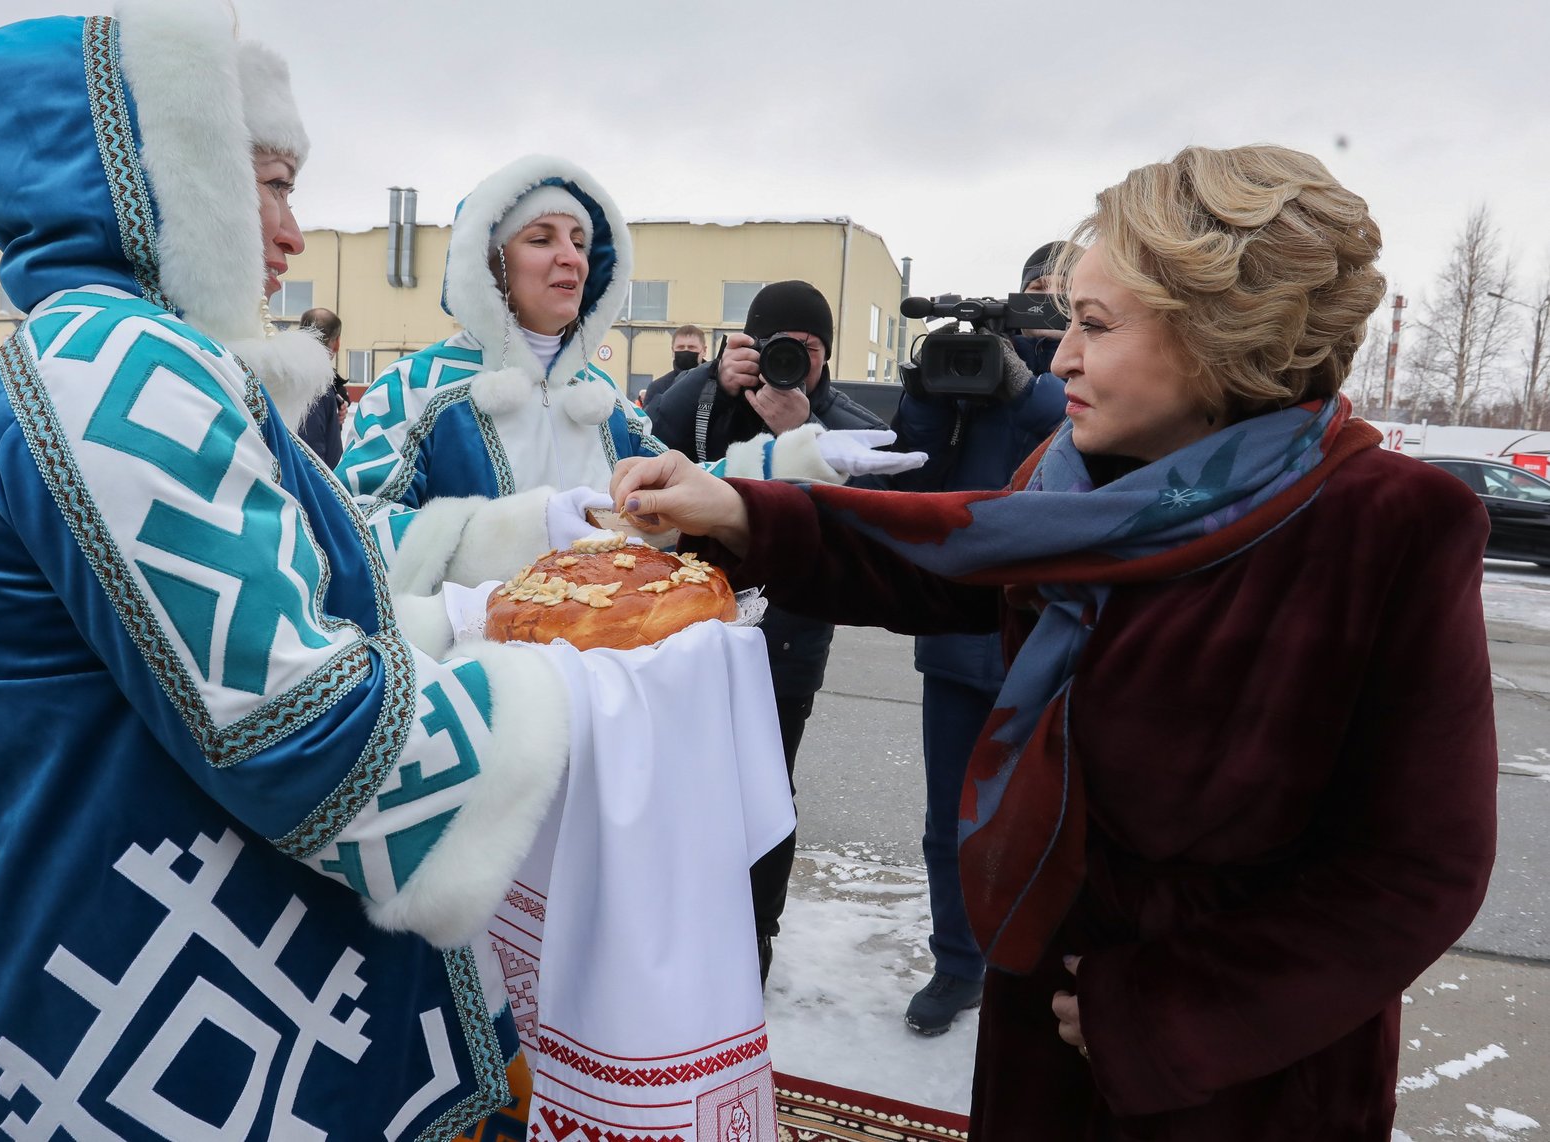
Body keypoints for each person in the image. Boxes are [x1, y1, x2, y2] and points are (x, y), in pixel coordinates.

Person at [610, 143, 1498, 1140]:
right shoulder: (1076, 475)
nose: (1061, 357)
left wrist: (1165, 1012)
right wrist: (736, 509)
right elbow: (941, 550)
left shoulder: (1387, 524)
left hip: (1231, 1080)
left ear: (1219, 334)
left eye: (1093, 325)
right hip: (1039, 1040)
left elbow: (1418, 869)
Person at [0, 7, 636, 1138]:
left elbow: (296, 600)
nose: (293, 236)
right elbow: (290, 724)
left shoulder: (113, 354)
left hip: (190, 934)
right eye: (264, 181)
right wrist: (571, 691)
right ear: (161, 171)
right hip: (164, 945)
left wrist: (457, 627)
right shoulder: (108, 361)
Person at [335, 159, 902, 600]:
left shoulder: (600, 397)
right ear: (488, 262)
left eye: (579, 243)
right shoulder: (415, 386)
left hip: (600, 667)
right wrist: (529, 528)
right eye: (541, 239)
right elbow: (354, 537)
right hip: (476, 690)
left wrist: (792, 459)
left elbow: (676, 490)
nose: (572, 260)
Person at [645, 280, 889, 982]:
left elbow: (868, 520)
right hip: (684, 632)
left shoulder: (841, 417)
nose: (792, 362)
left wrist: (798, 434)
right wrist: (707, 378)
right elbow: (641, 443)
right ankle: (682, 927)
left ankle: (754, 938)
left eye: (807, 350)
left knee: (764, 794)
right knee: (679, 786)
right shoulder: (706, 396)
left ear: (827, 355)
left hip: (786, 644)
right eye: (776, 347)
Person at [892, 244, 1070, 1035]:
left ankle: (1033, 965)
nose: (1046, 303)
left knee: (1046, 818)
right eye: (1038, 289)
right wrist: (929, 387)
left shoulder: (1086, 373)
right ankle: (957, 964)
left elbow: (1075, 440)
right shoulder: (977, 359)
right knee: (948, 822)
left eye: (1062, 295)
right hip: (961, 633)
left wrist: (1027, 384)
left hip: (1052, 634)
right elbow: (915, 474)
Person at [294, 305, 349, 467]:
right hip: (316, 484)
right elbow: (311, 451)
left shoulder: (293, 373)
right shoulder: (314, 383)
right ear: (337, 343)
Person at [638, 322, 707, 408]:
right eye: (680, 347)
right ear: (673, 351)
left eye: (691, 347)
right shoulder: (658, 388)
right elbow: (649, 420)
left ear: (704, 351)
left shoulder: (717, 384)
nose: (686, 351)